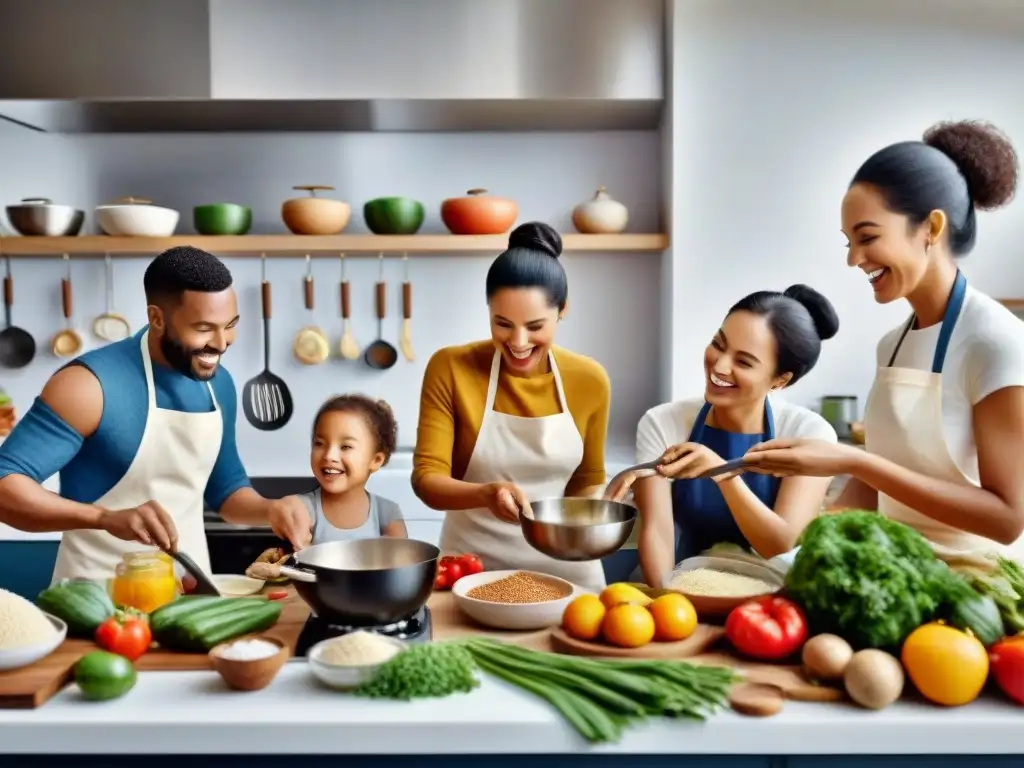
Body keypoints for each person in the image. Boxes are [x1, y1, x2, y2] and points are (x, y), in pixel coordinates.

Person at [743, 120, 1024, 564]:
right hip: (900, 573)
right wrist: (813, 541)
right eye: (849, 242)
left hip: (980, 590)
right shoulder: (892, 344)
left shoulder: (997, 343)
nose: (854, 259)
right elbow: (878, 484)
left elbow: (1008, 519)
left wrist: (850, 460)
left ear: (931, 227)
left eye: (868, 237)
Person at [0, 246, 310, 582]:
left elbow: (226, 490)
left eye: (230, 325)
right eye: (204, 328)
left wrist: (270, 509)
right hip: (96, 606)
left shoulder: (219, 384)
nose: (221, 343)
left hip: (191, 602)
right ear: (157, 318)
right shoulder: (87, 386)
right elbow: (5, 488)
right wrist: (103, 518)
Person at [412, 221, 612, 590]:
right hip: (470, 567)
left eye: (535, 326)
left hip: (567, 565)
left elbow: (586, 481)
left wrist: (594, 511)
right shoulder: (451, 368)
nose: (518, 342)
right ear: (488, 310)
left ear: (563, 309)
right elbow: (427, 481)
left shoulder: (589, 379)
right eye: (502, 324)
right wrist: (484, 494)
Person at [606, 286, 839, 586]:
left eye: (743, 362)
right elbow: (658, 532)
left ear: (780, 380)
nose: (719, 365)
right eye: (719, 344)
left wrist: (721, 473)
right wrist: (669, 604)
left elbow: (781, 546)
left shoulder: (808, 433)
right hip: (687, 586)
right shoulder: (664, 422)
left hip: (774, 600)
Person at [281, 394, 407, 545]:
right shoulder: (303, 508)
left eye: (345, 447)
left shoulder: (387, 512)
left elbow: (401, 560)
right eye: (320, 443)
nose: (329, 456)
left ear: (375, 460)